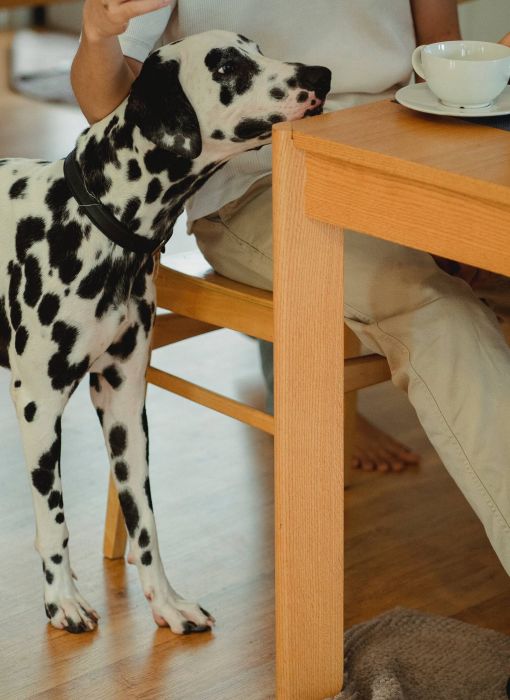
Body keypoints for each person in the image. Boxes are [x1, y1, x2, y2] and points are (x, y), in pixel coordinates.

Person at [71, 1, 510, 575]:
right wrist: (97, 32)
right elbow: (108, 106)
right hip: (258, 182)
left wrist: (448, 204)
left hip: (400, 156)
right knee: (438, 312)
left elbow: (439, 53)